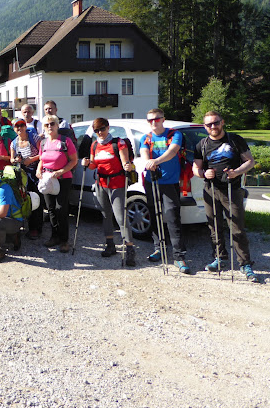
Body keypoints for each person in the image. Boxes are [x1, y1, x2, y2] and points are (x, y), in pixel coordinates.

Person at [192, 111, 260, 282]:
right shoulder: (202, 144)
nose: (213, 127)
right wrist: (203, 174)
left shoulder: (235, 140)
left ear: (222, 122)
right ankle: (219, 258)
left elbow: (250, 161)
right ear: (205, 126)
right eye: (209, 125)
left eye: (215, 123)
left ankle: (245, 263)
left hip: (232, 189)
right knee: (214, 226)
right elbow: (196, 168)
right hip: (210, 189)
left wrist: (236, 172)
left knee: (237, 227)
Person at [140, 108, 191, 274]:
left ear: (163, 119)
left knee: (172, 217)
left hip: (169, 183)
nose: (153, 123)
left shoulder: (174, 134)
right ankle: (158, 248)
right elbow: (143, 152)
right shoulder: (146, 137)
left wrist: (155, 161)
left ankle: (178, 256)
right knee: (154, 215)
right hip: (152, 181)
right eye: (150, 120)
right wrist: (149, 162)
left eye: (157, 119)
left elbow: (173, 151)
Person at [81, 118, 136, 265]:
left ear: (108, 128)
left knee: (120, 217)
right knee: (105, 215)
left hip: (117, 184)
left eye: (102, 129)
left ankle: (130, 249)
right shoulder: (94, 145)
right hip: (101, 183)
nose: (100, 132)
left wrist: (128, 166)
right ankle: (110, 244)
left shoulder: (119, 143)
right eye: (97, 130)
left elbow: (126, 162)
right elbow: (93, 165)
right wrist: (86, 163)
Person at [37, 114, 78, 252]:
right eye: (47, 125)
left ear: (57, 125)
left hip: (63, 178)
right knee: (51, 209)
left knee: (61, 209)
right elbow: (42, 159)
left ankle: (64, 240)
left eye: (52, 124)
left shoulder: (66, 141)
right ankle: (54, 237)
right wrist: (38, 170)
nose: (50, 127)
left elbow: (74, 160)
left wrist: (60, 171)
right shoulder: (43, 143)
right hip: (48, 178)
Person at [10, 117, 43, 240]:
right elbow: (11, 159)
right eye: (17, 126)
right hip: (22, 175)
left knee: (36, 200)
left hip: (36, 173)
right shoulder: (13, 143)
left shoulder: (34, 138)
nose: (20, 128)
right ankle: (27, 226)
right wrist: (16, 160)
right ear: (14, 129)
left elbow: (43, 153)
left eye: (22, 125)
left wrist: (31, 160)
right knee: (25, 200)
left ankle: (36, 228)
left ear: (25, 126)